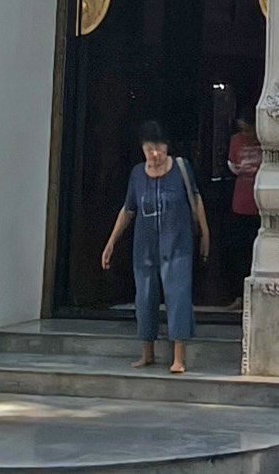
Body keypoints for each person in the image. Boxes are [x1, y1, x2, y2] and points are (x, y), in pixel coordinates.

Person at [99, 120, 210, 374]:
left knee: (178, 294)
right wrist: (111, 243)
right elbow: (128, 209)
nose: (155, 155)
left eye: (159, 149)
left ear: (167, 147)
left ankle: (178, 357)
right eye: (149, 149)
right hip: (145, 246)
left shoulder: (181, 168)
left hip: (178, 243)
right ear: (142, 149)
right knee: (145, 297)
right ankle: (147, 353)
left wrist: (205, 233)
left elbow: (196, 199)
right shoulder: (138, 174)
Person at [223, 113, 262, 307]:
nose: (246, 134)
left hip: (262, 204)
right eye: (243, 129)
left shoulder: (266, 139)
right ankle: (239, 295)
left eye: (248, 129)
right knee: (239, 251)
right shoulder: (236, 141)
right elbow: (233, 166)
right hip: (241, 202)